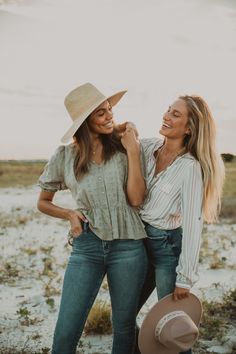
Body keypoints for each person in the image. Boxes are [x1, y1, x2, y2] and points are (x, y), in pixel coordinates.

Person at [37, 82, 148, 354]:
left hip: (129, 246)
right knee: (66, 331)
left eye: (110, 109)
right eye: (101, 112)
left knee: (123, 327)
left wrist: (133, 151)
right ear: (85, 121)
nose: (110, 115)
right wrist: (69, 214)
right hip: (86, 246)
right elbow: (43, 202)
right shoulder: (65, 156)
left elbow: (136, 199)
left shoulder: (125, 148)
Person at [123, 95, 225, 354]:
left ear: (190, 127)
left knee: (171, 323)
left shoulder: (190, 168)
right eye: (168, 110)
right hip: (138, 244)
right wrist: (129, 127)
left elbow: (193, 224)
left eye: (176, 114)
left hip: (167, 250)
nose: (166, 116)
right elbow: (126, 136)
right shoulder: (148, 148)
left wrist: (185, 278)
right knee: (124, 314)